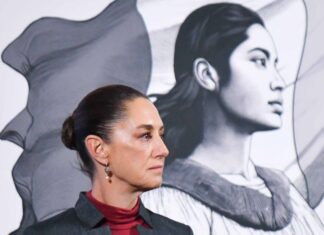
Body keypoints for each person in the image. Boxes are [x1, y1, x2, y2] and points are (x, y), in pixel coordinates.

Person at [141, 3, 324, 235]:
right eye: (259, 61)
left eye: (274, 64)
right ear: (207, 75)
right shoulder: (165, 201)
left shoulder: (287, 196)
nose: (278, 82)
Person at [23, 85, 193, 235]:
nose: (163, 150)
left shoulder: (178, 232)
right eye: (145, 136)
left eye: (161, 135)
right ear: (99, 149)